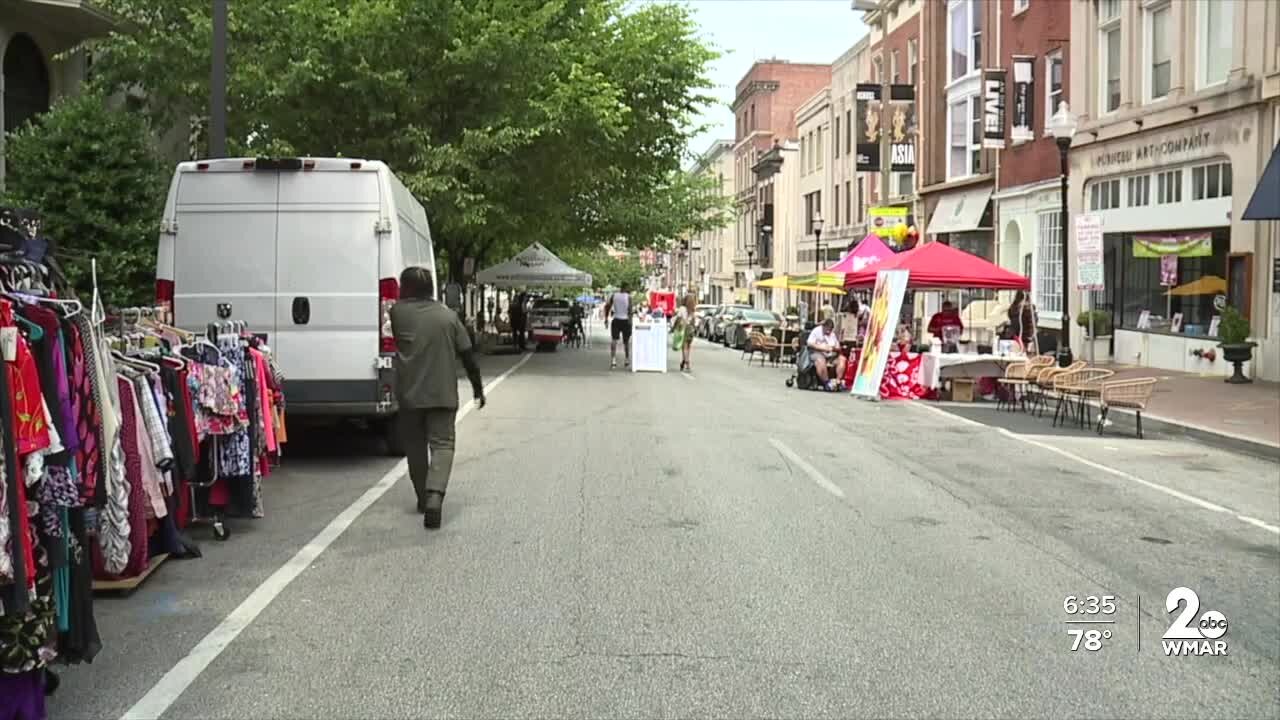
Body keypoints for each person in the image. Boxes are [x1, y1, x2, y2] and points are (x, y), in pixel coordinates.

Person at [389, 266, 486, 529]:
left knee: (415, 446)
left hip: (409, 395)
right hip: (443, 394)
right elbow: (468, 355)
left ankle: (422, 496)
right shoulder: (449, 317)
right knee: (442, 445)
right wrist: (478, 389)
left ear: (405, 288)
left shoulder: (397, 313)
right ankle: (435, 495)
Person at [807, 317, 847, 391]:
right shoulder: (816, 331)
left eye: (830, 330)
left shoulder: (832, 334)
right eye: (827, 329)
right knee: (820, 361)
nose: (828, 331)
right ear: (823, 327)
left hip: (830, 354)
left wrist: (834, 348)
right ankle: (826, 382)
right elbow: (810, 343)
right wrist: (821, 347)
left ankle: (838, 381)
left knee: (842, 359)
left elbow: (837, 347)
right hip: (817, 352)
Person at [604, 283, 633, 369]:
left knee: (614, 340)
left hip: (616, 319)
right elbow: (630, 310)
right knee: (626, 342)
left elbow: (608, 306)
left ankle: (613, 360)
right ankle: (627, 359)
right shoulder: (629, 297)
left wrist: (606, 318)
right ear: (626, 287)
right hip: (625, 320)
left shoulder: (614, 296)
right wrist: (630, 322)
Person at [673, 291, 697, 372]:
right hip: (691, 329)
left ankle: (687, 363)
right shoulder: (693, 310)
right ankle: (684, 362)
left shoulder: (682, 308)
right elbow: (694, 321)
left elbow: (678, 318)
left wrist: (674, 327)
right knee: (688, 347)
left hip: (683, 328)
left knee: (684, 347)